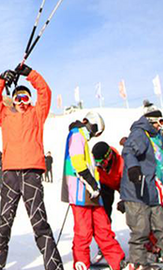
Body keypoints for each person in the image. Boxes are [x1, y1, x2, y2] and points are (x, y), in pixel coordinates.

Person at [0, 64, 62, 270]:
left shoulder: (37, 114)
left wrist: (29, 73)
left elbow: (45, 91)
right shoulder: (5, 115)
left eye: (25, 98)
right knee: (4, 221)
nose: (21, 102)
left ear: (30, 101)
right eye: (18, 98)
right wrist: (2, 78)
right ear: (13, 100)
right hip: (10, 174)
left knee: (39, 222)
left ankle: (54, 266)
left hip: (31, 173)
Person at [120, 107, 163, 270]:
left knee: (162, 230)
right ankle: (138, 264)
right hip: (136, 192)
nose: (161, 126)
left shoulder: (152, 136)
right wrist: (133, 168)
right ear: (151, 121)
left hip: (151, 191)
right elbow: (128, 151)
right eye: (160, 122)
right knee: (140, 232)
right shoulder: (140, 133)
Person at [62, 112, 126, 270]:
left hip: (91, 192)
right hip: (80, 192)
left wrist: (94, 185)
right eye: (96, 130)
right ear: (88, 123)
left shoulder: (82, 137)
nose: (95, 134)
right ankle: (81, 263)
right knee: (84, 231)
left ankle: (117, 261)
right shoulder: (76, 135)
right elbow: (77, 163)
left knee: (103, 227)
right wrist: (91, 183)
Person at [92, 141, 124, 221]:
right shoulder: (98, 168)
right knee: (103, 211)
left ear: (108, 157)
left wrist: (125, 200)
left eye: (101, 163)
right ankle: (105, 229)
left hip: (121, 183)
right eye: (97, 163)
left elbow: (129, 187)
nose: (99, 166)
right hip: (105, 184)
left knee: (133, 207)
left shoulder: (121, 164)